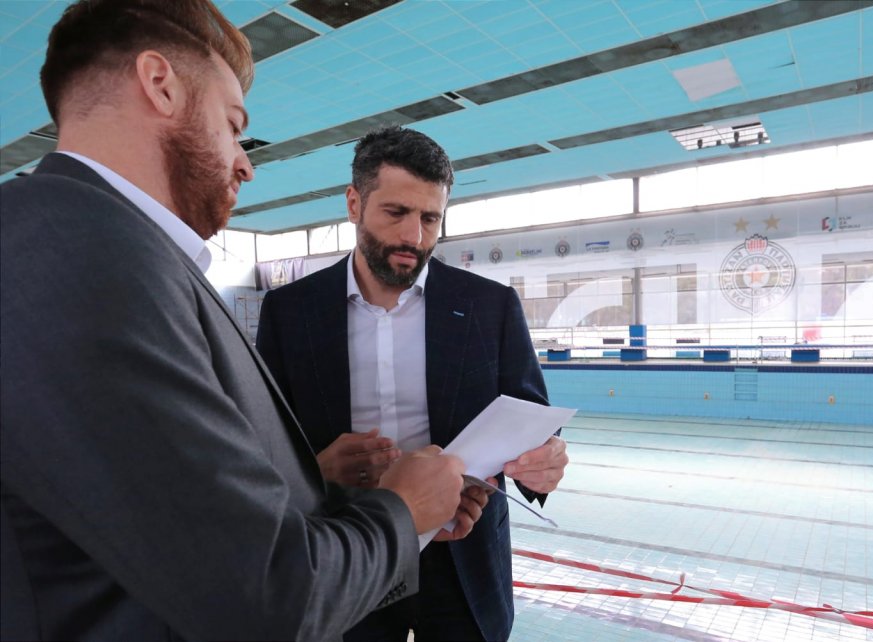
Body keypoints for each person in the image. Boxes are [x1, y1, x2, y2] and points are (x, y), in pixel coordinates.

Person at [0, 3, 467, 640]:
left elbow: (171, 516)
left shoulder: (98, 246)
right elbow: (263, 597)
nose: (246, 163)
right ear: (160, 84)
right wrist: (404, 511)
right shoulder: (82, 258)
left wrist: (341, 493)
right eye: (231, 125)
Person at [256, 125, 570, 641]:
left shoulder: (488, 306)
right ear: (354, 203)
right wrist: (318, 470)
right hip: (350, 547)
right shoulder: (291, 312)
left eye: (430, 218)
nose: (413, 237)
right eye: (396, 213)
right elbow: (263, 442)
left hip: (462, 552)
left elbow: (531, 419)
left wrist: (544, 462)